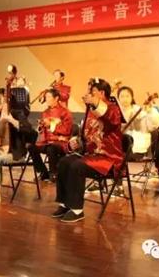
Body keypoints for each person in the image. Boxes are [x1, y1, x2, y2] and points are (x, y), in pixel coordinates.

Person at [51, 78, 123, 222]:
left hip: (108, 158)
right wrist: (77, 143)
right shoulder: (90, 110)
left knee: (76, 166)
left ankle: (77, 209)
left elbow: (111, 119)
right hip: (91, 155)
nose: (88, 94)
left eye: (92, 91)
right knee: (64, 162)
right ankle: (65, 203)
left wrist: (95, 103)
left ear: (102, 93)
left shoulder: (113, 109)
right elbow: (86, 137)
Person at [0, 99, 36, 205]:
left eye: (0, 100)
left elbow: (29, 130)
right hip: (1, 150)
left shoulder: (17, 113)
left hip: (15, 153)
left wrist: (11, 120)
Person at [29, 89, 74, 182]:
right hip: (47, 141)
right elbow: (43, 131)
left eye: (49, 97)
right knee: (31, 147)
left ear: (56, 98)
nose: (46, 99)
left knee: (51, 148)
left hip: (60, 142)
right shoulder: (45, 112)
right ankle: (43, 172)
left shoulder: (65, 112)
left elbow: (67, 130)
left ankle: (53, 173)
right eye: (46, 97)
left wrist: (51, 125)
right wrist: (41, 127)